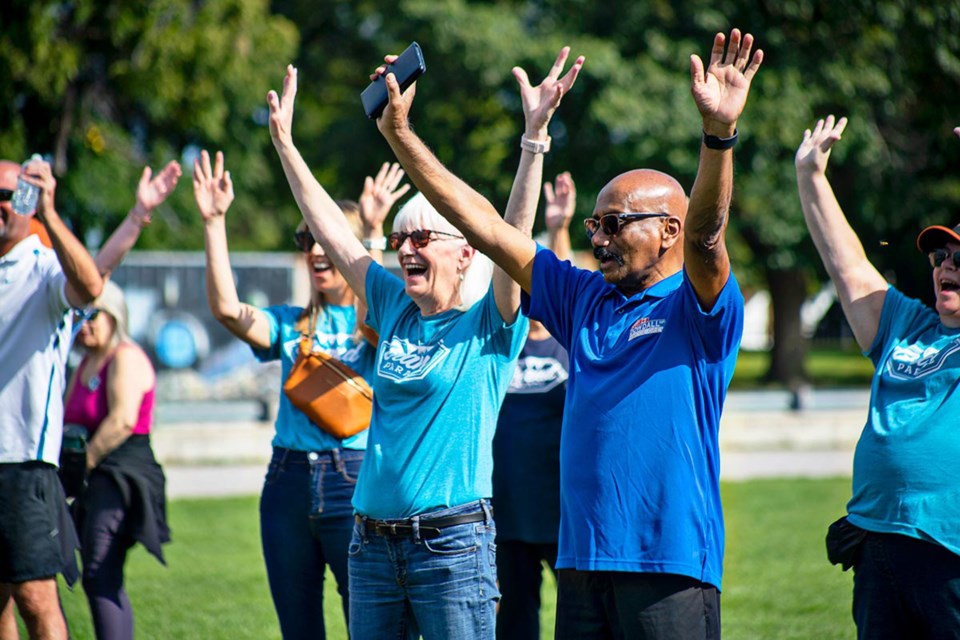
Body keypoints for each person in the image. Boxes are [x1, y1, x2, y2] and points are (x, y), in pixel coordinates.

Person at [377, 29, 763, 638]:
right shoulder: (585, 298)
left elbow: (708, 235)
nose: (598, 238)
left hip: (668, 566)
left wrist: (719, 137)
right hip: (581, 563)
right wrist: (401, 136)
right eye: (594, 224)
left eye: (615, 224)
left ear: (667, 231)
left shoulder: (698, 306)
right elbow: (484, 227)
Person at [267, 47, 582, 639]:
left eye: (422, 237)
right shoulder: (391, 306)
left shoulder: (492, 321)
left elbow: (512, 236)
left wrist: (533, 139)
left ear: (466, 253)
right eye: (398, 238)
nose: (405, 247)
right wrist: (286, 145)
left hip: (452, 548)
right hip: (371, 543)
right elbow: (334, 236)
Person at [192, 150, 406, 639]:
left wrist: (372, 234)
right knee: (298, 628)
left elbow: (381, 308)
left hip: (353, 481)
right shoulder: (289, 323)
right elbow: (227, 309)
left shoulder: (379, 319)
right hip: (286, 482)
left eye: (322, 239)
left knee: (371, 626)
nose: (313, 251)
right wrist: (213, 222)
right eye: (304, 239)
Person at [796, 117, 960, 638]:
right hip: (879, 546)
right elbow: (846, 267)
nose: (944, 265)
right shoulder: (908, 325)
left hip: (949, 553)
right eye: (940, 255)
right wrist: (811, 176)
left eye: (959, 256)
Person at [0, 157, 104, 640]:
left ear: (26, 200)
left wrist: (51, 213)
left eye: (6, 194)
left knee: (35, 599)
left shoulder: (43, 267)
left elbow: (88, 286)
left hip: (22, 463)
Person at [62, 281, 170, 640]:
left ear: (115, 315)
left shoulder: (125, 356)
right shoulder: (83, 365)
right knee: (92, 573)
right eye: (79, 314)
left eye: (94, 315)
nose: (85, 323)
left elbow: (123, 420)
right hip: (93, 475)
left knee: (99, 570)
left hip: (124, 473)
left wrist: (82, 464)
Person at [492, 172, 574, 640]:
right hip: (509, 513)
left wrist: (558, 227)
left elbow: (567, 283)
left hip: (563, 512)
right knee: (516, 623)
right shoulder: (504, 346)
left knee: (580, 620)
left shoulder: (569, 343)